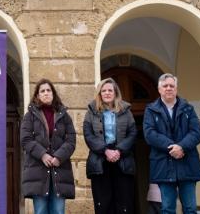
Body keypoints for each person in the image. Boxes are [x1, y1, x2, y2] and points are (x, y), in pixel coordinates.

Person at [144, 73, 200, 214]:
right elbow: (149, 134)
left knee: (190, 208)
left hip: (187, 163)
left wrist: (181, 147)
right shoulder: (151, 110)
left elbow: (196, 132)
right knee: (167, 209)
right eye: (165, 86)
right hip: (163, 164)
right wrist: (172, 147)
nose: (168, 88)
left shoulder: (188, 108)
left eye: (172, 85)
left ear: (176, 89)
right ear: (159, 89)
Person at [20, 79, 77, 214]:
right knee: (41, 211)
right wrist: (43, 155)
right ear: (37, 95)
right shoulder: (30, 116)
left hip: (59, 171)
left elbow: (71, 140)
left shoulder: (64, 116)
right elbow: (25, 140)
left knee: (58, 211)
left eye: (48, 90)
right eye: (42, 91)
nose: (46, 93)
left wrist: (59, 157)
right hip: (37, 171)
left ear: (53, 93)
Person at [83, 77, 137, 214]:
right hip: (100, 161)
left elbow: (132, 133)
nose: (107, 93)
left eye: (110, 90)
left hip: (123, 160)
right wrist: (105, 150)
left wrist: (119, 151)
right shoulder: (91, 112)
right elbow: (88, 135)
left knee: (124, 203)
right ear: (99, 94)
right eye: (104, 91)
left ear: (115, 93)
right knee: (103, 204)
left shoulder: (126, 111)